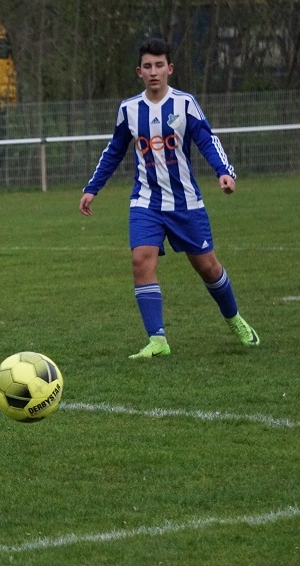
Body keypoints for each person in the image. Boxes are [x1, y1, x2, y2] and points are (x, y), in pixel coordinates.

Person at [79, 38, 260, 359]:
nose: (153, 72)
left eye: (159, 65)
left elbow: (206, 139)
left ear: (170, 69)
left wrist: (223, 171)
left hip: (185, 203)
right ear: (139, 71)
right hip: (145, 201)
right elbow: (115, 150)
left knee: (207, 267)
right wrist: (93, 188)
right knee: (140, 261)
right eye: (147, 66)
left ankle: (234, 319)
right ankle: (157, 340)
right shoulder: (129, 109)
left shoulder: (185, 103)